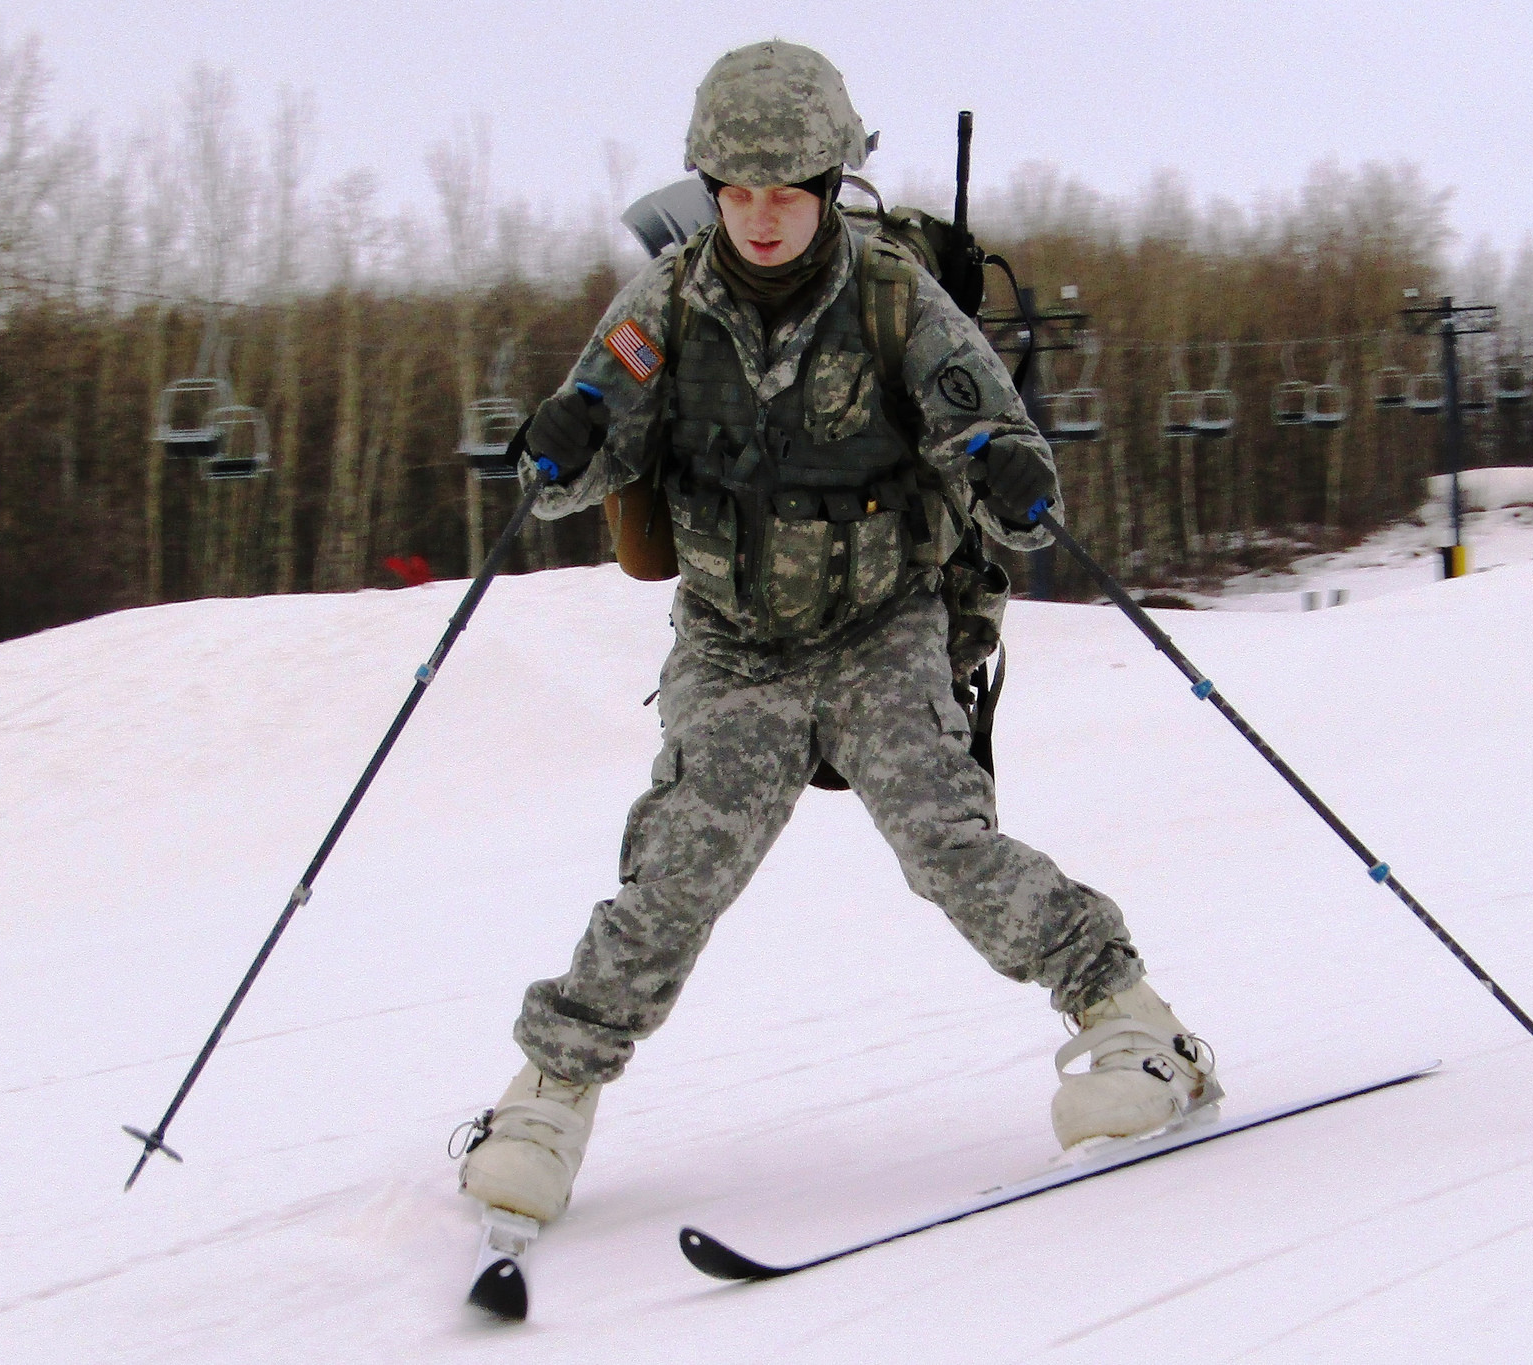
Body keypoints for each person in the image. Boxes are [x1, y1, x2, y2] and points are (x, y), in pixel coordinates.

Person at [458, 41, 1218, 1224]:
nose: (762, 218)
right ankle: (549, 1095)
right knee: (675, 872)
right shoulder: (664, 305)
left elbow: (990, 437)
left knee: (947, 843)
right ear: (710, 190)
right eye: (739, 193)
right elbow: (582, 451)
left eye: (789, 191)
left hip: (879, 624)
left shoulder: (891, 297)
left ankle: (1138, 1032)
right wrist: (558, 441)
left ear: (830, 185)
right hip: (732, 638)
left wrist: (1008, 475)